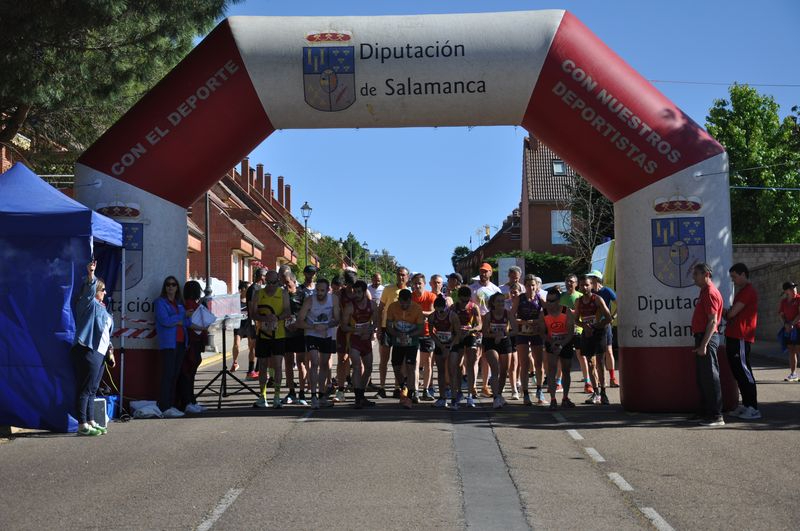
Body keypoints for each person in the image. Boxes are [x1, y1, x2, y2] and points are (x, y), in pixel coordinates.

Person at [71, 260, 114, 435]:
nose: (105, 292)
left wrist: (110, 350)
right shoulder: (87, 304)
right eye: (102, 290)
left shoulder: (103, 309)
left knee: (93, 389)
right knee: (85, 388)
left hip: (100, 353)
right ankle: (82, 425)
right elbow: (89, 290)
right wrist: (91, 274)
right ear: (95, 291)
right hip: (87, 350)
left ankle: (91, 421)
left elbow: (105, 334)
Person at [724, 263, 761, 420]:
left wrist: (725, 312)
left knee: (744, 372)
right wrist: (727, 313)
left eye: (734, 277)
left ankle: (753, 408)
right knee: (738, 372)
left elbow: (732, 313)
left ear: (743, 274)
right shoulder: (742, 291)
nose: (733, 280)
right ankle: (746, 405)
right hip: (734, 336)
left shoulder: (748, 291)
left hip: (741, 337)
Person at [689, 263, 724, 427]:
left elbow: (713, 321)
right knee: (703, 378)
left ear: (706, 274)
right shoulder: (704, 292)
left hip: (707, 339)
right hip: (702, 338)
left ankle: (716, 416)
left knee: (710, 377)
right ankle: (705, 412)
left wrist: (704, 345)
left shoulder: (710, 292)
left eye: (696, 274)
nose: (693, 277)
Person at [250, 270, 291, 409]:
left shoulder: (283, 293)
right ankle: (263, 397)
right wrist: (263, 318)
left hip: (278, 335)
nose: (271, 285)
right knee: (262, 365)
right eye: (268, 282)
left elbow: (287, 311)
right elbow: (253, 313)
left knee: (278, 365)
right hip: (263, 335)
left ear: (278, 281)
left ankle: (277, 397)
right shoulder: (258, 293)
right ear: (264, 281)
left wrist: (276, 318)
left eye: (274, 283)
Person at [297, 278, 340, 409]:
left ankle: (322, 395)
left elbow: (337, 319)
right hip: (312, 334)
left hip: (326, 334)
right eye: (318, 290)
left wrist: (326, 325)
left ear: (328, 290)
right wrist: (313, 327)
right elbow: (299, 321)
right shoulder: (310, 300)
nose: (319, 293)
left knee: (324, 364)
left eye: (322, 291)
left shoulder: (333, 299)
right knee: (314, 362)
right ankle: (313, 396)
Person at [575, 276, 612, 405]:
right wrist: (584, 326)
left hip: (599, 333)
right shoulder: (578, 301)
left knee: (600, 363)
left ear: (591, 286)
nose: (584, 287)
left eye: (586, 285)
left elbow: (608, 318)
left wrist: (595, 326)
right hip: (587, 333)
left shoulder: (597, 299)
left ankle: (603, 392)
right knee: (590, 363)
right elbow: (576, 320)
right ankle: (595, 392)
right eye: (582, 285)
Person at [340, 280, 377, 408]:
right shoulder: (350, 307)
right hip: (354, 339)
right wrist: (357, 330)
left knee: (369, 368)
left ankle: (361, 395)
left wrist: (370, 331)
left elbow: (376, 322)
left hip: (366, 340)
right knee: (356, 367)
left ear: (365, 292)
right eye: (355, 292)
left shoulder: (372, 305)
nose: (356, 295)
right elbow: (343, 326)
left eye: (359, 292)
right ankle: (357, 398)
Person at [155, 275, 188, 417]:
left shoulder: (179, 303)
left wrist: (181, 320)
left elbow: (186, 322)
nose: (170, 287)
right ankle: (164, 406)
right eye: (168, 284)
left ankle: (172, 404)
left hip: (181, 342)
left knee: (175, 375)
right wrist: (180, 318)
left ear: (177, 287)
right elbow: (165, 321)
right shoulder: (160, 302)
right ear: (165, 287)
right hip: (168, 343)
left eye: (173, 284)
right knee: (168, 375)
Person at [385, 288, 425, 408]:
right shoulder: (392, 307)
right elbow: (388, 326)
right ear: (399, 300)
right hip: (397, 341)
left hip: (412, 342)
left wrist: (408, 335)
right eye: (402, 303)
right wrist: (397, 334)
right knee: (396, 366)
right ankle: (404, 386)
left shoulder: (417, 308)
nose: (404, 306)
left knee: (410, 367)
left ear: (410, 300)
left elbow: (420, 329)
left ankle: (410, 396)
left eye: (406, 303)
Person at [538, 287, 576, 409]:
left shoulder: (566, 311)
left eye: (552, 301)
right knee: (551, 370)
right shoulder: (543, 313)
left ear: (559, 301)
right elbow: (542, 332)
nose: (549, 303)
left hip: (565, 342)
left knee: (566, 370)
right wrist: (553, 342)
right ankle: (553, 399)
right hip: (552, 342)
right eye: (548, 300)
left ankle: (565, 398)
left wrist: (561, 344)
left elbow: (571, 332)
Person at [512, 274, 546, 405]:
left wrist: (537, 321)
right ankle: (525, 393)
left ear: (536, 286)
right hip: (522, 333)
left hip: (536, 333)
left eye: (533, 285)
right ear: (524, 286)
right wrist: (523, 322)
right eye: (528, 285)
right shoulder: (519, 298)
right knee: (524, 364)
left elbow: (547, 313)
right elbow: (512, 316)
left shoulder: (539, 298)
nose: (531, 288)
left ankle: (539, 390)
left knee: (538, 364)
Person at [376, 266, 409, 398]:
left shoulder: (409, 291)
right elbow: (380, 308)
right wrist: (379, 327)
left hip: (401, 330)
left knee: (399, 361)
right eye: (399, 274)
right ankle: (382, 388)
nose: (401, 277)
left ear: (407, 277)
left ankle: (397, 387)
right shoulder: (388, 289)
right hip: (386, 328)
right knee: (384, 359)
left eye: (403, 275)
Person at [470, 263, 501, 398]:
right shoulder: (472, 288)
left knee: (487, 357)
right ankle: (473, 386)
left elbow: (498, 308)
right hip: (476, 325)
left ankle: (485, 386)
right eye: (481, 271)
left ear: (490, 273)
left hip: (490, 326)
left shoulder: (495, 289)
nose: (483, 274)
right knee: (475, 356)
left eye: (485, 271)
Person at [449, 285, 482, 409]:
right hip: (458, 336)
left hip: (470, 335)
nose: (464, 303)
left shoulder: (474, 307)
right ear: (458, 298)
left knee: (470, 365)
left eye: (466, 300)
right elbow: (449, 323)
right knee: (458, 365)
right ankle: (459, 392)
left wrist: (471, 330)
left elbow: (479, 325)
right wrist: (456, 332)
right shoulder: (453, 307)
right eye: (462, 300)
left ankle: (470, 394)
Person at [177, 280, 207, 414]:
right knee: (188, 374)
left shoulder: (187, 305)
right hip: (192, 343)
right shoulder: (192, 306)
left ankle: (191, 400)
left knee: (188, 374)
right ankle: (188, 402)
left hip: (192, 343)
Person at [560, 273, 591, 394]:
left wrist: (575, 313)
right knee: (562, 358)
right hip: (564, 331)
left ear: (576, 284)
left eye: (571, 281)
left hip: (578, 330)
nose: (569, 283)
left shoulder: (580, 296)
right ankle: (558, 382)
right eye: (567, 281)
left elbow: (586, 313)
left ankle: (587, 382)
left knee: (581, 356)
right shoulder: (561, 297)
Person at [587, 270, 619, 388]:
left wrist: (613, 317)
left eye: (591, 278)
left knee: (608, 351)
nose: (589, 280)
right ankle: (598, 379)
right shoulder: (589, 292)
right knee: (595, 353)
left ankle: (612, 378)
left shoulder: (606, 291)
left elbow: (619, 303)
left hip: (605, 325)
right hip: (592, 326)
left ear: (597, 279)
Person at [482, 293, 514, 408]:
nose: (501, 303)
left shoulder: (508, 314)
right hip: (491, 342)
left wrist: (503, 334)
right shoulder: (488, 315)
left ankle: (499, 395)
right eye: (498, 301)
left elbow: (515, 330)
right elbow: (484, 332)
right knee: (495, 368)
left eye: (502, 301)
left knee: (504, 371)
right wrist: (495, 335)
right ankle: (495, 398)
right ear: (493, 303)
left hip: (505, 342)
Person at [282, 272, 308, 405]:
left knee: (301, 362)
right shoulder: (282, 294)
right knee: (288, 362)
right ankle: (291, 392)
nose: (285, 285)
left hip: (300, 332)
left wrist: (297, 324)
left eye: (287, 282)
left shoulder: (302, 294)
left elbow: (307, 312)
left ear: (294, 281)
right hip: (286, 332)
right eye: (283, 282)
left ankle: (302, 392)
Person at [411, 273, 437, 401]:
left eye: (419, 283)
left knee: (428, 363)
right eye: (415, 283)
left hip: (428, 333)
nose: (417, 286)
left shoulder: (431, 296)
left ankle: (426, 390)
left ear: (424, 284)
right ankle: (415, 391)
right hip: (414, 333)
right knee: (415, 363)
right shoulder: (410, 297)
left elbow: (433, 313)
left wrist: (419, 313)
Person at [333, 270, 358, 402]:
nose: (352, 289)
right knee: (342, 360)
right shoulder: (339, 294)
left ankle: (359, 391)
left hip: (357, 331)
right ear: (345, 284)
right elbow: (334, 311)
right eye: (349, 286)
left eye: (354, 286)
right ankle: (340, 390)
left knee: (357, 361)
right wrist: (339, 319)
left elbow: (371, 308)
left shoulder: (363, 292)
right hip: (343, 330)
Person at [429, 295, 453, 407]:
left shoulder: (452, 316)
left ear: (446, 308)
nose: (440, 313)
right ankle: (442, 397)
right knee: (441, 371)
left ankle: (454, 397)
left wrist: (448, 346)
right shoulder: (432, 317)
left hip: (451, 344)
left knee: (452, 371)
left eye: (442, 311)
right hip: (440, 344)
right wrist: (439, 344)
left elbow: (457, 333)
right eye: (437, 311)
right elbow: (431, 332)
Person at [245, 268, 267, 380]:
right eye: (265, 276)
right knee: (253, 346)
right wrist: (253, 320)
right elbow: (251, 306)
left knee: (260, 345)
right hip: (254, 321)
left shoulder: (260, 288)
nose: (266, 278)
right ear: (261, 276)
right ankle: (250, 370)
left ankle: (258, 370)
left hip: (260, 321)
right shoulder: (253, 288)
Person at [778, 281, 800, 382]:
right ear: (786, 291)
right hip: (788, 329)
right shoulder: (784, 302)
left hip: (798, 327)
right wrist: (785, 324)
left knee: (798, 349)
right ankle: (793, 374)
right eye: (791, 288)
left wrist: (792, 324)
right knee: (791, 350)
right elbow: (781, 314)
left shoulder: (799, 299)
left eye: (794, 287)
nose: (794, 289)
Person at [231, 280, 251, 372]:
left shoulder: (251, 299)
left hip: (248, 324)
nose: (250, 290)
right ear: (243, 289)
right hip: (239, 325)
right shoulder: (235, 300)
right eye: (249, 288)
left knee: (251, 346)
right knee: (236, 344)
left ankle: (251, 366)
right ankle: (235, 362)